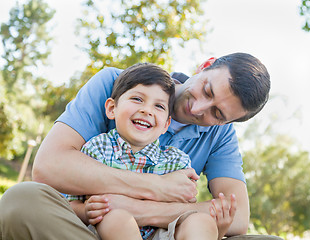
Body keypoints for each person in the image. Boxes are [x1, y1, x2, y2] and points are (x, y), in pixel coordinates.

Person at [0, 53, 281, 240]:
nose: (198, 108)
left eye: (217, 114)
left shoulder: (220, 136)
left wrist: (140, 210)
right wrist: (156, 187)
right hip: (89, 231)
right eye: (207, 90)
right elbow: (50, 167)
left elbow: (237, 218)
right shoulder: (117, 84)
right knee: (22, 201)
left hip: (164, 234)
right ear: (205, 65)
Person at [66, 63, 236, 240]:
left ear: (166, 124)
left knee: (200, 221)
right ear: (111, 108)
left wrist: (217, 229)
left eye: (159, 107)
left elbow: (182, 212)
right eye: (137, 99)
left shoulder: (177, 162)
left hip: (160, 232)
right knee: (117, 218)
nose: (146, 110)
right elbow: (70, 204)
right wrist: (86, 211)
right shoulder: (97, 148)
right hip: (107, 231)